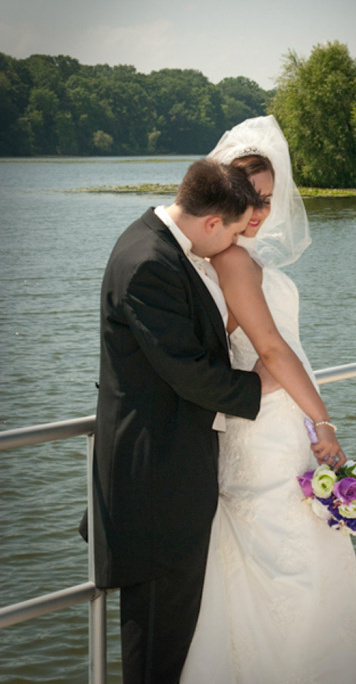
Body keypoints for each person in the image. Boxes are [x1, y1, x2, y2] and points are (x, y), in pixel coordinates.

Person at [180, 116, 356, 683]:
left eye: (270, 199)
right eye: (252, 198)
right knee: (285, 562)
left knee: (310, 557)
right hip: (264, 431)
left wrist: (309, 420)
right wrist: (326, 424)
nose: (263, 212)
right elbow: (269, 349)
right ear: (225, 194)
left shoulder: (243, 257)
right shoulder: (231, 261)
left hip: (285, 423)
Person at [92, 159, 273, 683]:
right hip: (155, 491)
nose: (238, 241)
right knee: (155, 657)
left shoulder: (157, 244)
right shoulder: (149, 261)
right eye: (237, 229)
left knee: (170, 647)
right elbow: (187, 371)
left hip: (166, 482)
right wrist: (262, 383)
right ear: (213, 223)